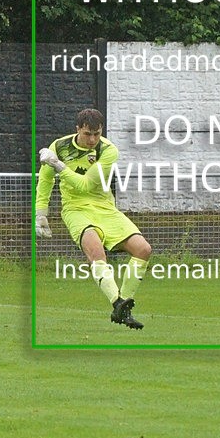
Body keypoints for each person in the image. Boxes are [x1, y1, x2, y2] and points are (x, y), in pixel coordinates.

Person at [35, 108, 152, 330]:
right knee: (96, 253)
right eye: (88, 134)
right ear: (78, 129)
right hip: (76, 209)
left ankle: (122, 307)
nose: (92, 139)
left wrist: (58, 165)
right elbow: (46, 180)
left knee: (143, 250)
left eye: (97, 134)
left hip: (105, 208)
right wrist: (41, 213)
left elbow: (85, 184)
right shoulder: (59, 147)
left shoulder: (108, 150)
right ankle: (119, 304)